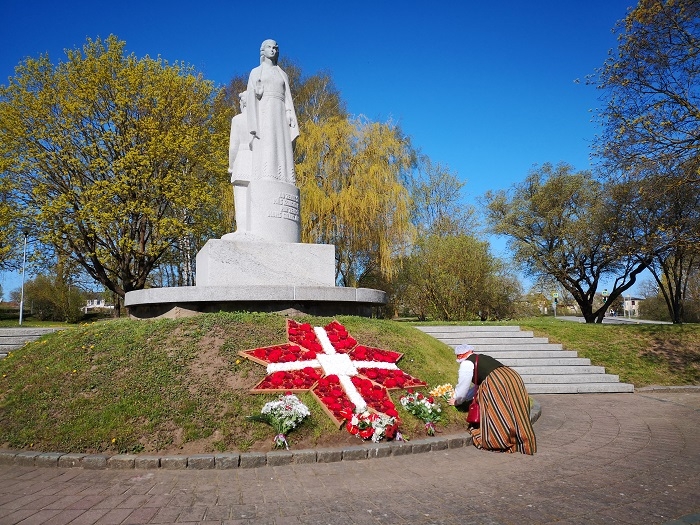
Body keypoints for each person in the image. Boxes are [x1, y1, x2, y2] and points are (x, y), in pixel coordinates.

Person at [448, 344, 537, 455]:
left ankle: (499, 440)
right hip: (513, 377)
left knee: (497, 409)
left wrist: (457, 400)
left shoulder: (466, 363)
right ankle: (520, 437)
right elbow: (478, 386)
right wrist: (464, 398)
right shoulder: (482, 357)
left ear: (460, 356)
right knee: (515, 407)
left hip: (497, 381)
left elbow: (463, 386)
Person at [246, 39, 299, 185]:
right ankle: (267, 173)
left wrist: (289, 112)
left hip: (281, 111)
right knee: (268, 141)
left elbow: (287, 97)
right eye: (269, 47)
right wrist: (257, 94)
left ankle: (285, 176)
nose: (273, 50)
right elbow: (249, 98)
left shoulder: (283, 74)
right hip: (265, 110)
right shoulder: (256, 72)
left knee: (281, 142)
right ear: (263, 50)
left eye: (275, 48)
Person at [228, 91, 253, 233]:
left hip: (242, 158)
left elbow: (233, 146)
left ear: (243, 103)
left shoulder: (237, 120)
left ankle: (242, 229)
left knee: (241, 196)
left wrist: (231, 165)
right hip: (258, 161)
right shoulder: (261, 120)